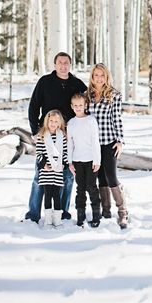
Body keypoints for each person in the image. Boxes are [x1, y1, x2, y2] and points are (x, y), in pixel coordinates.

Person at [25, 52, 87, 223]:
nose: (63, 65)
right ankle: (33, 214)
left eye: (66, 62)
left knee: (66, 176)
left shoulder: (77, 84)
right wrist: (35, 130)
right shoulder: (45, 82)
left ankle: (63, 212)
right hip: (46, 134)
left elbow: (87, 104)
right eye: (60, 62)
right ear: (55, 64)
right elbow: (33, 107)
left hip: (67, 136)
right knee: (41, 175)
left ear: (70, 65)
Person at [86, 63, 128, 229]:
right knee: (99, 177)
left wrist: (120, 141)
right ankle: (105, 210)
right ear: (92, 77)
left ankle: (123, 212)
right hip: (92, 144)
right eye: (96, 75)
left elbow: (117, 119)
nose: (99, 78)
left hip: (109, 141)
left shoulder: (114, 95)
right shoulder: (87, 95)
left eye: (102, 75)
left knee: (111, 176)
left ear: (107, 77)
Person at [67, 93, 101, 227]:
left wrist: (97, 160)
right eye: (75, 106)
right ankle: (80, 216)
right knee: (80, 189)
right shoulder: (71, 123)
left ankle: (96, 216)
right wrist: (70, 162)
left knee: (92, 188)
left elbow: (95, 141)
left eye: (80, 105)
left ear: (85, 105)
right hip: (77, 161)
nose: (78, 108)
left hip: (91, 160)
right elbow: (70, 144)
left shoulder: (91, 120)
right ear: (72, 106)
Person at [36, 110, 68, 227]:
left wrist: (64, 163)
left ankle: (57, 220)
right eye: (51, 121)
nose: (53, 124)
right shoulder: (42, 135)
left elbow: (65, 152)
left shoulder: (62, 136)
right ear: (47, 121)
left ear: (59, 123)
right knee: (48, 195)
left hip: (58, 170)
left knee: (57, 195)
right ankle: (48, 220)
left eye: (56, 122)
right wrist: (43, 164)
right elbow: (39, 153)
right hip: (46, 171)